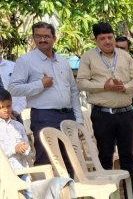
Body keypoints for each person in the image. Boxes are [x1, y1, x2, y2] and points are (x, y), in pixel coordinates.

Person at [77, 22, 133, 199]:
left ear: (114, 37)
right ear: (96, 40)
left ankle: (131, 197)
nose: (107, 41)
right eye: (102, 38)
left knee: (127, 156)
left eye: (110, 37)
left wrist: (124, 87)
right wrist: (103, 86)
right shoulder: (88, 57)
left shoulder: (124, 56)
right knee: (105, 155)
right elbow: (81, 82)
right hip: (102, 114)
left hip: (126, 113)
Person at [8, 22, 83, 167]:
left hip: (68, 116)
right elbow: (13, 88)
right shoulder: (26, 61)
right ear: (33, 38)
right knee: (45, 159)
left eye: (46, 36)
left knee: (70, 160)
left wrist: (79, 120)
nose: (42, 40)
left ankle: (69, 189)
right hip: (44, 117)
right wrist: (41, 84)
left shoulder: (63, 61)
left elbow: (73, 92)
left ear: (54, 38)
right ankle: (44, 190)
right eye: (38, 36)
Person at [0, 87, 32, 171]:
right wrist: (14, 149)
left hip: (22, 168)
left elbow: (27, 146)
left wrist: (23, 148)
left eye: (8, 106)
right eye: (1, 107)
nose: (6, 110)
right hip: (5, 173)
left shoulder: (18, 126)